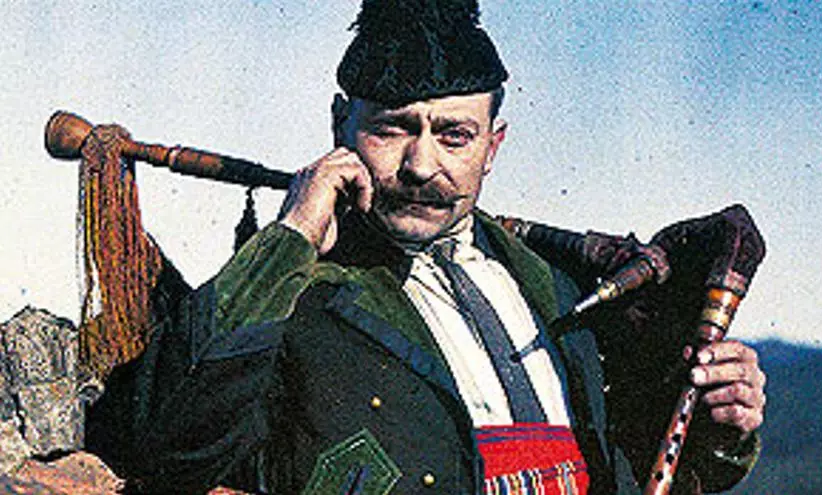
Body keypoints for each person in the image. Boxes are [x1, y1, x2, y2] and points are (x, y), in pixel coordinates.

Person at [88, 1, 766, 494]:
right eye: (391, 129)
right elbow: (163, 449)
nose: (421, 165)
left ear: (493, 145)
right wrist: (291, 236)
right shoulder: (291, 294)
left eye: (454, 135)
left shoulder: (559, 290)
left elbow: (643, 466)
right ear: (340, 125)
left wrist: (721, 425)